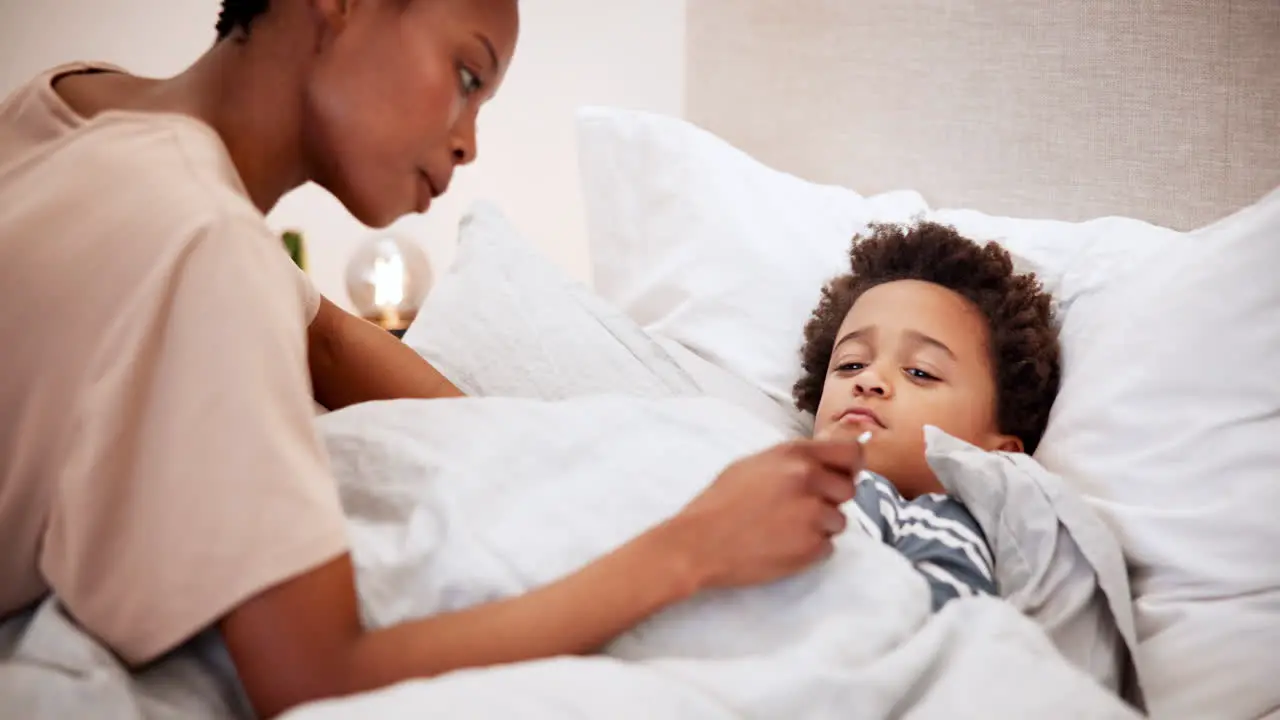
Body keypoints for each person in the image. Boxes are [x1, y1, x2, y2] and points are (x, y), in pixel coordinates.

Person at [0, 0, 866, 717]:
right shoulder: (205, 239)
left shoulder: (70, 101)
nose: (470, 143)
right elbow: (313, 677)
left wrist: (573, 457)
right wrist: (690, 549)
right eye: (466, 75)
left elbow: (329, 338)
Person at [793, 221, 1061, 609]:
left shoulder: (937, 523)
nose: (869, 379)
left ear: (998, 454)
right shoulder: (764, 458)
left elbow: (930, 634)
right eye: (851, 364)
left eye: (920, 372)